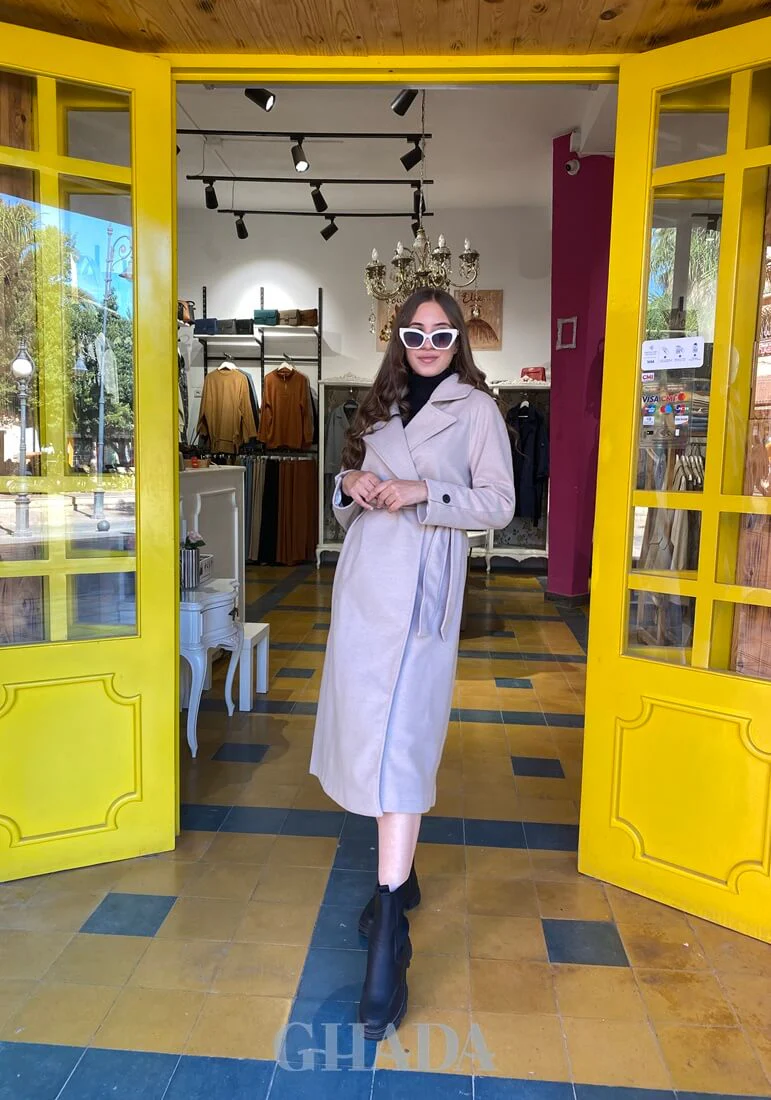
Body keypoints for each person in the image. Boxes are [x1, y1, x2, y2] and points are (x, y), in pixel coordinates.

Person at [310, 287, 516, 1040]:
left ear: (459, 340)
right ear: (398, 340)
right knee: (372, 737)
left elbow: (498, 504)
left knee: (402, 749)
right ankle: (403, 878)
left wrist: (425, 490)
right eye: (414, 334)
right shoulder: (379, 406)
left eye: (440, 334)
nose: (427, 346)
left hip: (423, 598)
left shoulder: (478, 410)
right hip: (366, 587)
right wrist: (351, 484)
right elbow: (345, 497)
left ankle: (389, 935)